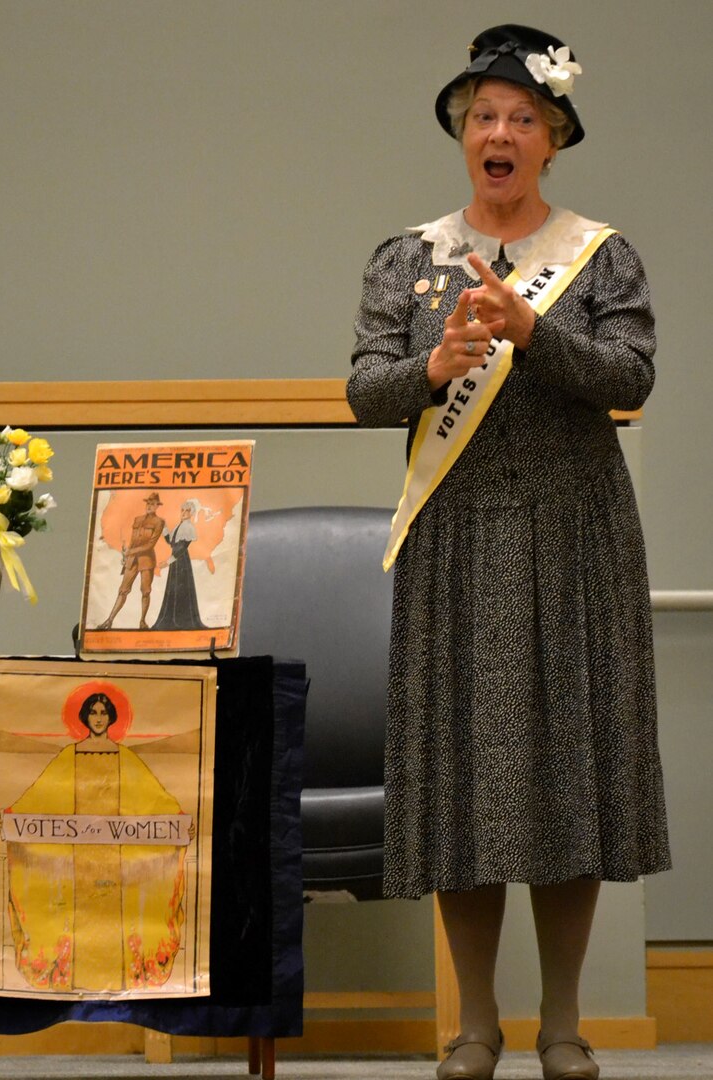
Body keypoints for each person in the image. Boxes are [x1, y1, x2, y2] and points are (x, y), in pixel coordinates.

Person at [346, 25, 670, 1080]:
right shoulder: (407, 256)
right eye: (480, 115)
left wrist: (535, 338)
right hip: (456, 543)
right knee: (464, 783)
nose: (498, 132)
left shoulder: (598, 252)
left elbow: (628, 379)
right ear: (459, 131)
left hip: (573, 539)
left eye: (520, 118)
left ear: (552, 137)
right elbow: (363, 389)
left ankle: (563, 1022)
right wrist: (430, 366)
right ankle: (474, 1023)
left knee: (565, 780)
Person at [2, 690, 194, 993]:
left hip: (118, 863)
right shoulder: (69, 756)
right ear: (85, 718)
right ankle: (71, 978)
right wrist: (12, 817)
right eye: (94, 713)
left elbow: (158, 801)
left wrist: (180, 823)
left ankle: (123, 979)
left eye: (104, 713)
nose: (99, 718)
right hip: (77, 863)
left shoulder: (125, 758)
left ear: (112, 718)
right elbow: (39, 798)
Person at [97, 491, 164, 631]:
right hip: (132, 560)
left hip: (146, 561)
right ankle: (109, 620)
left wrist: (131, 552)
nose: (150, 506)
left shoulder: (159, 522)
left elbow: (150, 545)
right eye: (148, 503)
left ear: (157, 506)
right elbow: (133, 541)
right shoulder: (137, 519)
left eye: (153, 504)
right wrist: (127, 554)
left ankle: (143, 622)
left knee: (145, 591)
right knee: (122, 591)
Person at [153, 499, 207, 631]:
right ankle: (171, 620)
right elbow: (171, 543)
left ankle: (183, 622)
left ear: (191, 513)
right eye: (182, 510)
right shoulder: (180, 525)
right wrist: (164, 527)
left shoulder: (188, 527)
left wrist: (168, 561)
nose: (183, 513)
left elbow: (182, 547)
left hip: (181, 561)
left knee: (182, 589)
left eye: (187, 511)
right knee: (174, 588)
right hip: (176, 562)